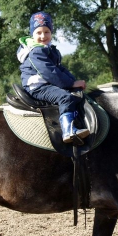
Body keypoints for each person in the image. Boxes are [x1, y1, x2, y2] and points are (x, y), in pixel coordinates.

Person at [16, 11, 89, 143]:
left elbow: (60, 69)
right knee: (65, 97)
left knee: (75, 94)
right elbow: (49, 72)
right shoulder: (36, 51)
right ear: (32, 34)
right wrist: (70, 84)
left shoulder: (49, 49)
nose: (43, 36)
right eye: (38, 32)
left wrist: (74, 81)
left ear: (51, 33)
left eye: (47, 32)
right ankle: (68, 130)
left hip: (46, 83)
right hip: (37, 87)